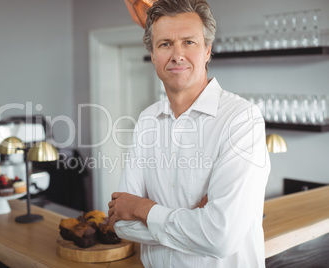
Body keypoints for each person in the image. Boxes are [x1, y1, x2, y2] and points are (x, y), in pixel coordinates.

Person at [107, 0, 271, 267]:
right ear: (152, 55)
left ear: (207, 50)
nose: (177, 55)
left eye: (189, 42)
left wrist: (141, 208)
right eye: (165, 44)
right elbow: (121, 224)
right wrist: (193, 219)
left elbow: (220, 237)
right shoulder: (147, 120)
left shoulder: (241, 119)